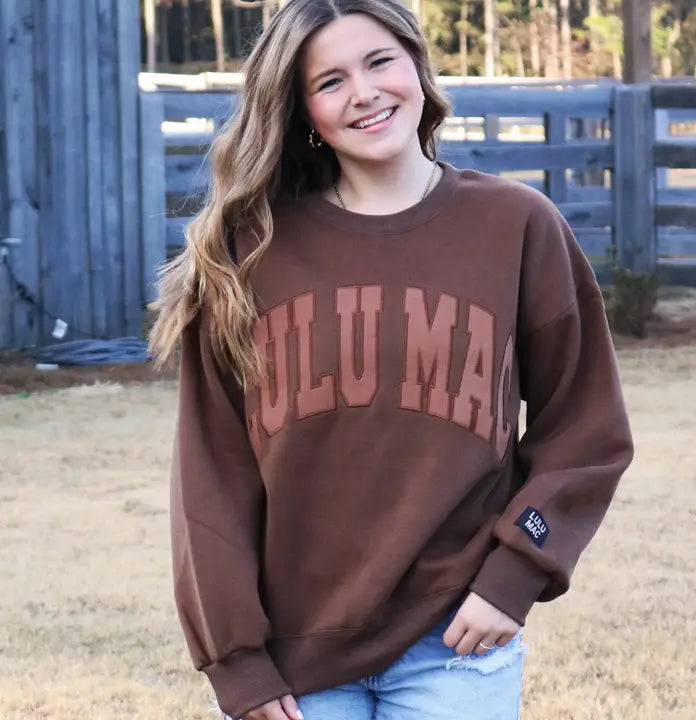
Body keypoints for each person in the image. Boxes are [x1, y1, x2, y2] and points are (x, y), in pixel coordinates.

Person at [149, 1, 634, 718]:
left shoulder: (515, 226)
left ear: (416, 64)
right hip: (294, 660)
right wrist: (237, 660)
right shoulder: (248, 255)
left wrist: (516, 572)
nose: (365, 92)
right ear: (303, 111)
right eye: (330, 81)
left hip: (456, 642)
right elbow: (211, 475)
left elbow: (585, 429)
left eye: (379, 62)